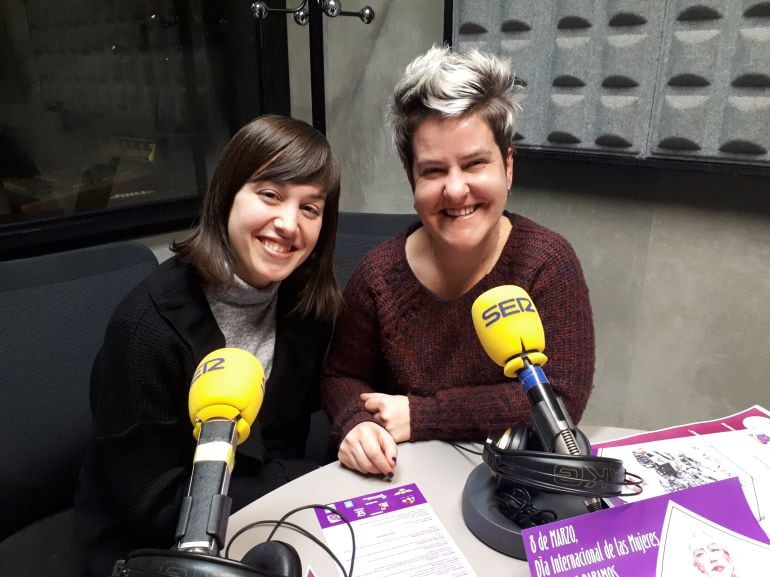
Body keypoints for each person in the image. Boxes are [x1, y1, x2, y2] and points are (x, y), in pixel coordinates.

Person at [75, 114, 342, 577]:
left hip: (258, 525)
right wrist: (310, 480)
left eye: (310, 208)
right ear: (227, 195)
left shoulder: (305, 310)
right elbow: (154, 506)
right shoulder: (146, 328)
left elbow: (280, 441)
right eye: (271, 195)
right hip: (153, 549)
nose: (288, 224)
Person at [321, 45, 594, 477]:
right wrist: (354, 422)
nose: (454, 190)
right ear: (411, 177)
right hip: (405, 481)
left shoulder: (547, 264)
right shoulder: (376, 276)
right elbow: (341, 377)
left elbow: (560, 400)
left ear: (507, 167)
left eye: (474, 164)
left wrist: (422, 415)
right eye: (433, 171)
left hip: (515, 480)